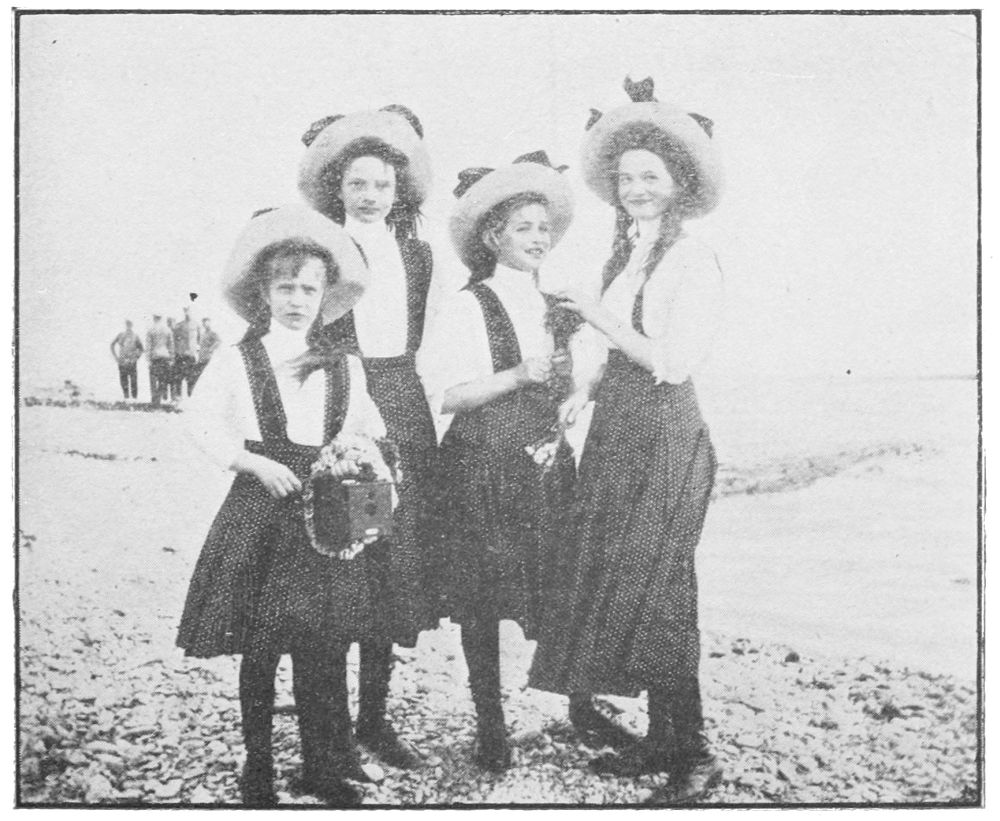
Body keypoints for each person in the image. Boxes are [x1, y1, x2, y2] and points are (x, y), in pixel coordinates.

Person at [177, 205, 425, 807]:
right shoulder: (238, 358)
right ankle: (257, 766)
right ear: (263, 292)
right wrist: (251, 462)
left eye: (309, 289)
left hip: (329, 517)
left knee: (327, 643)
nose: (297, 299)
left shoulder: (345, 365)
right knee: (262, 645)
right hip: (262, 508)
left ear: (325, 296)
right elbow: (200, 421)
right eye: (285, 287)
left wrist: (371, 517)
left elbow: (369, 434)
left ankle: (323, 764)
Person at [528, 77, 725, 804]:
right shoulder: (630, 255)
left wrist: (594, 313)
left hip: (667, 435)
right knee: (630, 581)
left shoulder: (692, 258)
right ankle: (664, 740)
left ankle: (695, 753)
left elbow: (671, 361)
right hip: (618, 430)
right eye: (627, 178)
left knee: (663, 585)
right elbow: (610, 356)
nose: (637, 189)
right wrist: (576, 394)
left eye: (652, 177)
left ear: (679, 184)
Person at [417, 152, 582, 771]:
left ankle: (581, 705)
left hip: (541, 462)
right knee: (482, 600)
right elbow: (444, 396)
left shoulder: (557, 305)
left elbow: (569, 385)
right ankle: (490, 725)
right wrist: (516, 375)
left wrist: (571, 398)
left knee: (559, 585)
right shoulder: (470, 304)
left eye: (544, 228)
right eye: (523, 228)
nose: (538, 238)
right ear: (493, 236)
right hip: (481, 466)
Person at [297, 105, 438, 769]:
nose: (371, 195)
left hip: (402, 406)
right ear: (339, 187)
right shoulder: (322, 249)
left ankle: (375, 719)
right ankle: (330, 734)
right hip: (345, 402)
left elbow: (430, 343)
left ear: (398, 188)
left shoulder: (418, 254)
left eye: (382, 184)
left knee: (389, 563)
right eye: (358, 183)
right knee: (342, 555)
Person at [110, 319, 143, 400]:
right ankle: (126, 397)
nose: (128, 326)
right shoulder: (121, 335)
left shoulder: (135, 336)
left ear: (132, 326)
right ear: (125, 325)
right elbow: (112, 345)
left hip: (132, 362)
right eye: (127, 324)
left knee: (133, 381)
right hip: (122, 361)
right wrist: (116, 357)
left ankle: (134, 399)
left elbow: (141, 349)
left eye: (129, 325)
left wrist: (136, 357)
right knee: (123, 381)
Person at [145, 313, 174, 405]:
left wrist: (148, 359)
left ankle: (154, 400)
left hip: (155, 357)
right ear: (161, 318)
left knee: (153, 380)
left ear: (154, 318)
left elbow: (148, 346)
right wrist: (171, 358)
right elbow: (171, 345)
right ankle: (158, 398)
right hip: (165, 356)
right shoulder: (167, 330)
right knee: (163, 379)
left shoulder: (151, 330)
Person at [172, 306, 201, 400]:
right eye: (185, 311)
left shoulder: (196, 325)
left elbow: (199, 339)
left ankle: (190, 396)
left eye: (189, 311)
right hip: (181, 354)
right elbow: (174, 339)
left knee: (191, 377)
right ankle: (178, 396)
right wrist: (177, 351)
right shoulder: (179, 325)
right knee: (178, 377)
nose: (187, 313)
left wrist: (197, 350)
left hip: (191, 354)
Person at [192, 316, 221, 389]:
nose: (205, 325)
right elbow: (199, 344)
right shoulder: (203, 333)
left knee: (204, 374)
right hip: (201, 356)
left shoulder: (213, 333)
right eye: (204, 323)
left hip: (208, 357)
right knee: (197, 374)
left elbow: (218, 341)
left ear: (209, 323)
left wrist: (211, 349)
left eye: (206, 323)